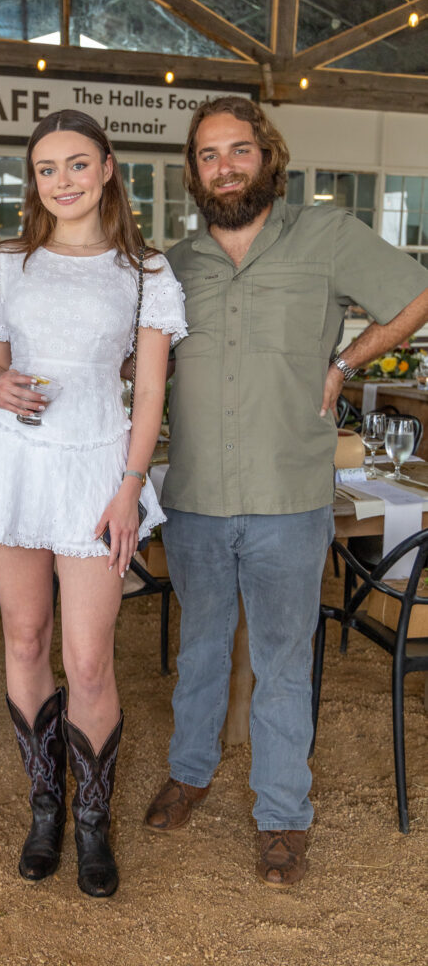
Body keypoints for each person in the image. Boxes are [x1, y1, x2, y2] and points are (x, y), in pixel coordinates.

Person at [144, 95, 428, 888]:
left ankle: (281, 817)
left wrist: (345, 363)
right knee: (198, 652)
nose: (224, 166)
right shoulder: (172, 265)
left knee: (280, 662)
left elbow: (414, 295)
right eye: (208, 155)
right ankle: (190, 772)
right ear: (193, 171)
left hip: (289, 496)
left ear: (267, 157)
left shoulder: (326, 236)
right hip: (196, 494)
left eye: (239, 150)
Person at [0, 109, 186, 898]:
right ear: (33, 180)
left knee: (85, 658)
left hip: (94, 470)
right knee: (23, 638)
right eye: (46, 169)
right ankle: (44, 805)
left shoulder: (146, 273)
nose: (62, 182)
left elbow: (148, 389)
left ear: (108, 167)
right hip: (14, 461)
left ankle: (92, 821)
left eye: (76, 164)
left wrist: (128, 490)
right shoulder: (6, 264)